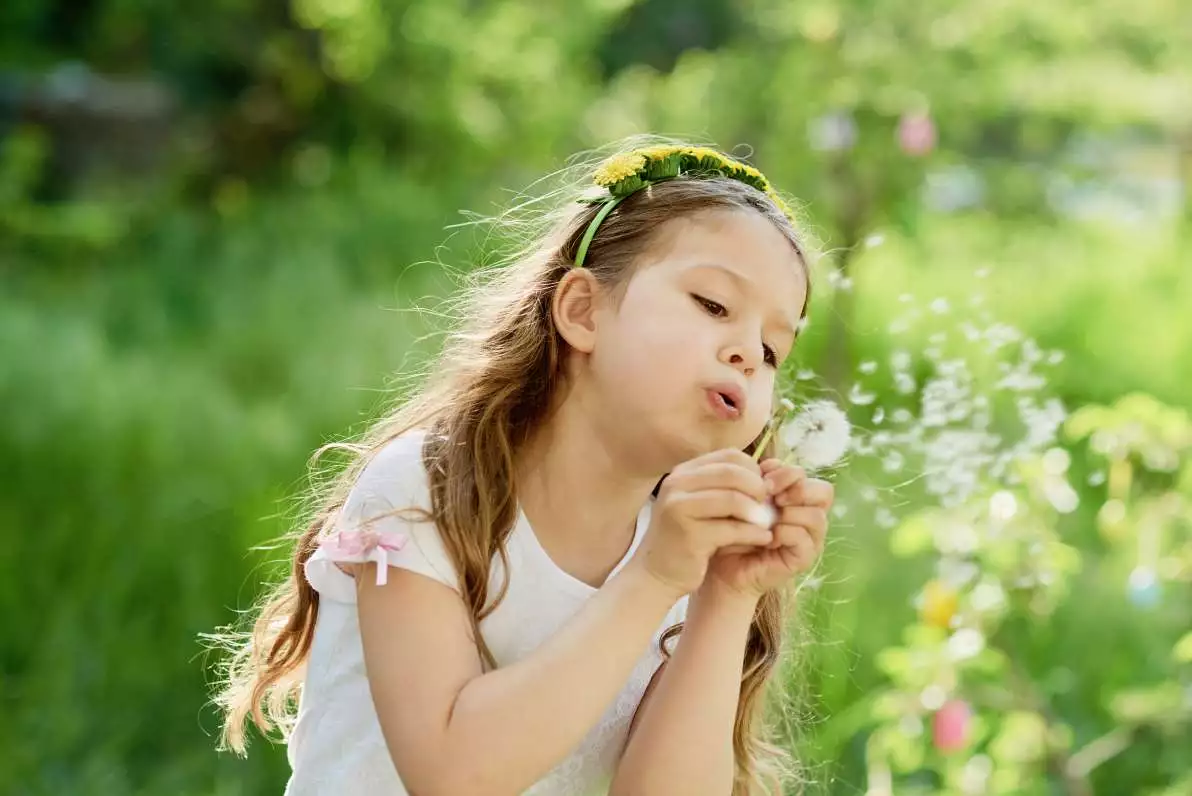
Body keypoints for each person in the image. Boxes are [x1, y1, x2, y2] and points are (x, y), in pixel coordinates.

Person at [212, 140, 836, 796]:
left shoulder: (688, 555)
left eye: (772, 350)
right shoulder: (424, 492)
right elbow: (452, 775)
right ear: (582, 311)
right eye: (712, 304)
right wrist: (653, 575)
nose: (745, 351)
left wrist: (727, 595)